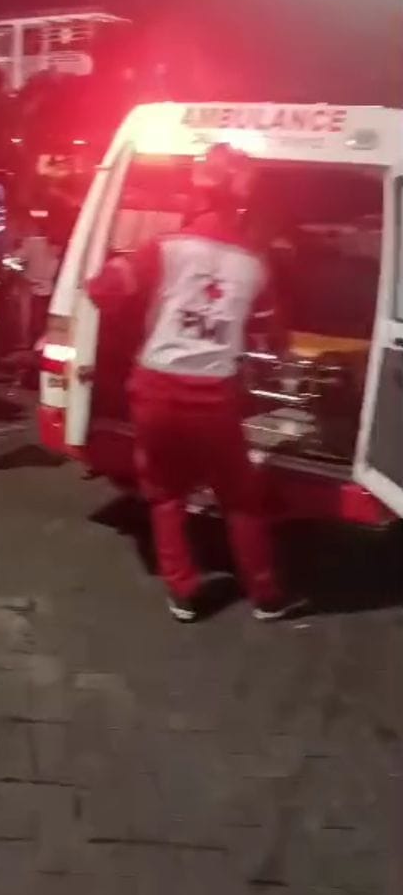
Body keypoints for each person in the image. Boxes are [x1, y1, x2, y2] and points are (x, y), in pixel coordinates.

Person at [88, 143, 301, 623]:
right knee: (240, 499)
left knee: (165, 494)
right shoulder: (255, 266)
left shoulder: (163, 248)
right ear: (241, 201)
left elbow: (103, 291)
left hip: (155, 389)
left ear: (198, 194)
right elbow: (274, 335)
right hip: (214, 398)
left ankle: (183, 592)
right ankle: (265, 596)